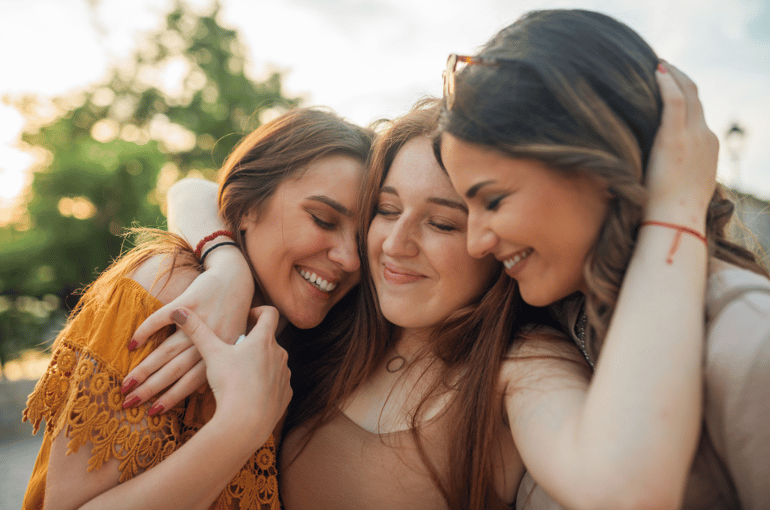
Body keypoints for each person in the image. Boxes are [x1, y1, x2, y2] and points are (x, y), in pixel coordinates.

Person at [134, 74, 710, 509]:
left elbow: (627, 487)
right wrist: (227, 264)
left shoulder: (519, 365)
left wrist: (677, 212)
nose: (395, 244)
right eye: (384, 211)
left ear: (494, 241)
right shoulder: (336, 322)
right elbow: (197, 189)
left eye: (441, 223)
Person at [437, 9, 770, 509]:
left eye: (494, 200)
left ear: (597, 165)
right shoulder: (555, 324)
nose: (475, 243)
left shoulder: (748, 344)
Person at [21, 107, 374, 510]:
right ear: (247, 207)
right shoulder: (166, 291)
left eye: (363, 239)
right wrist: (241, 425)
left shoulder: (308, 335)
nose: (350, 259)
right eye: (323, 219)